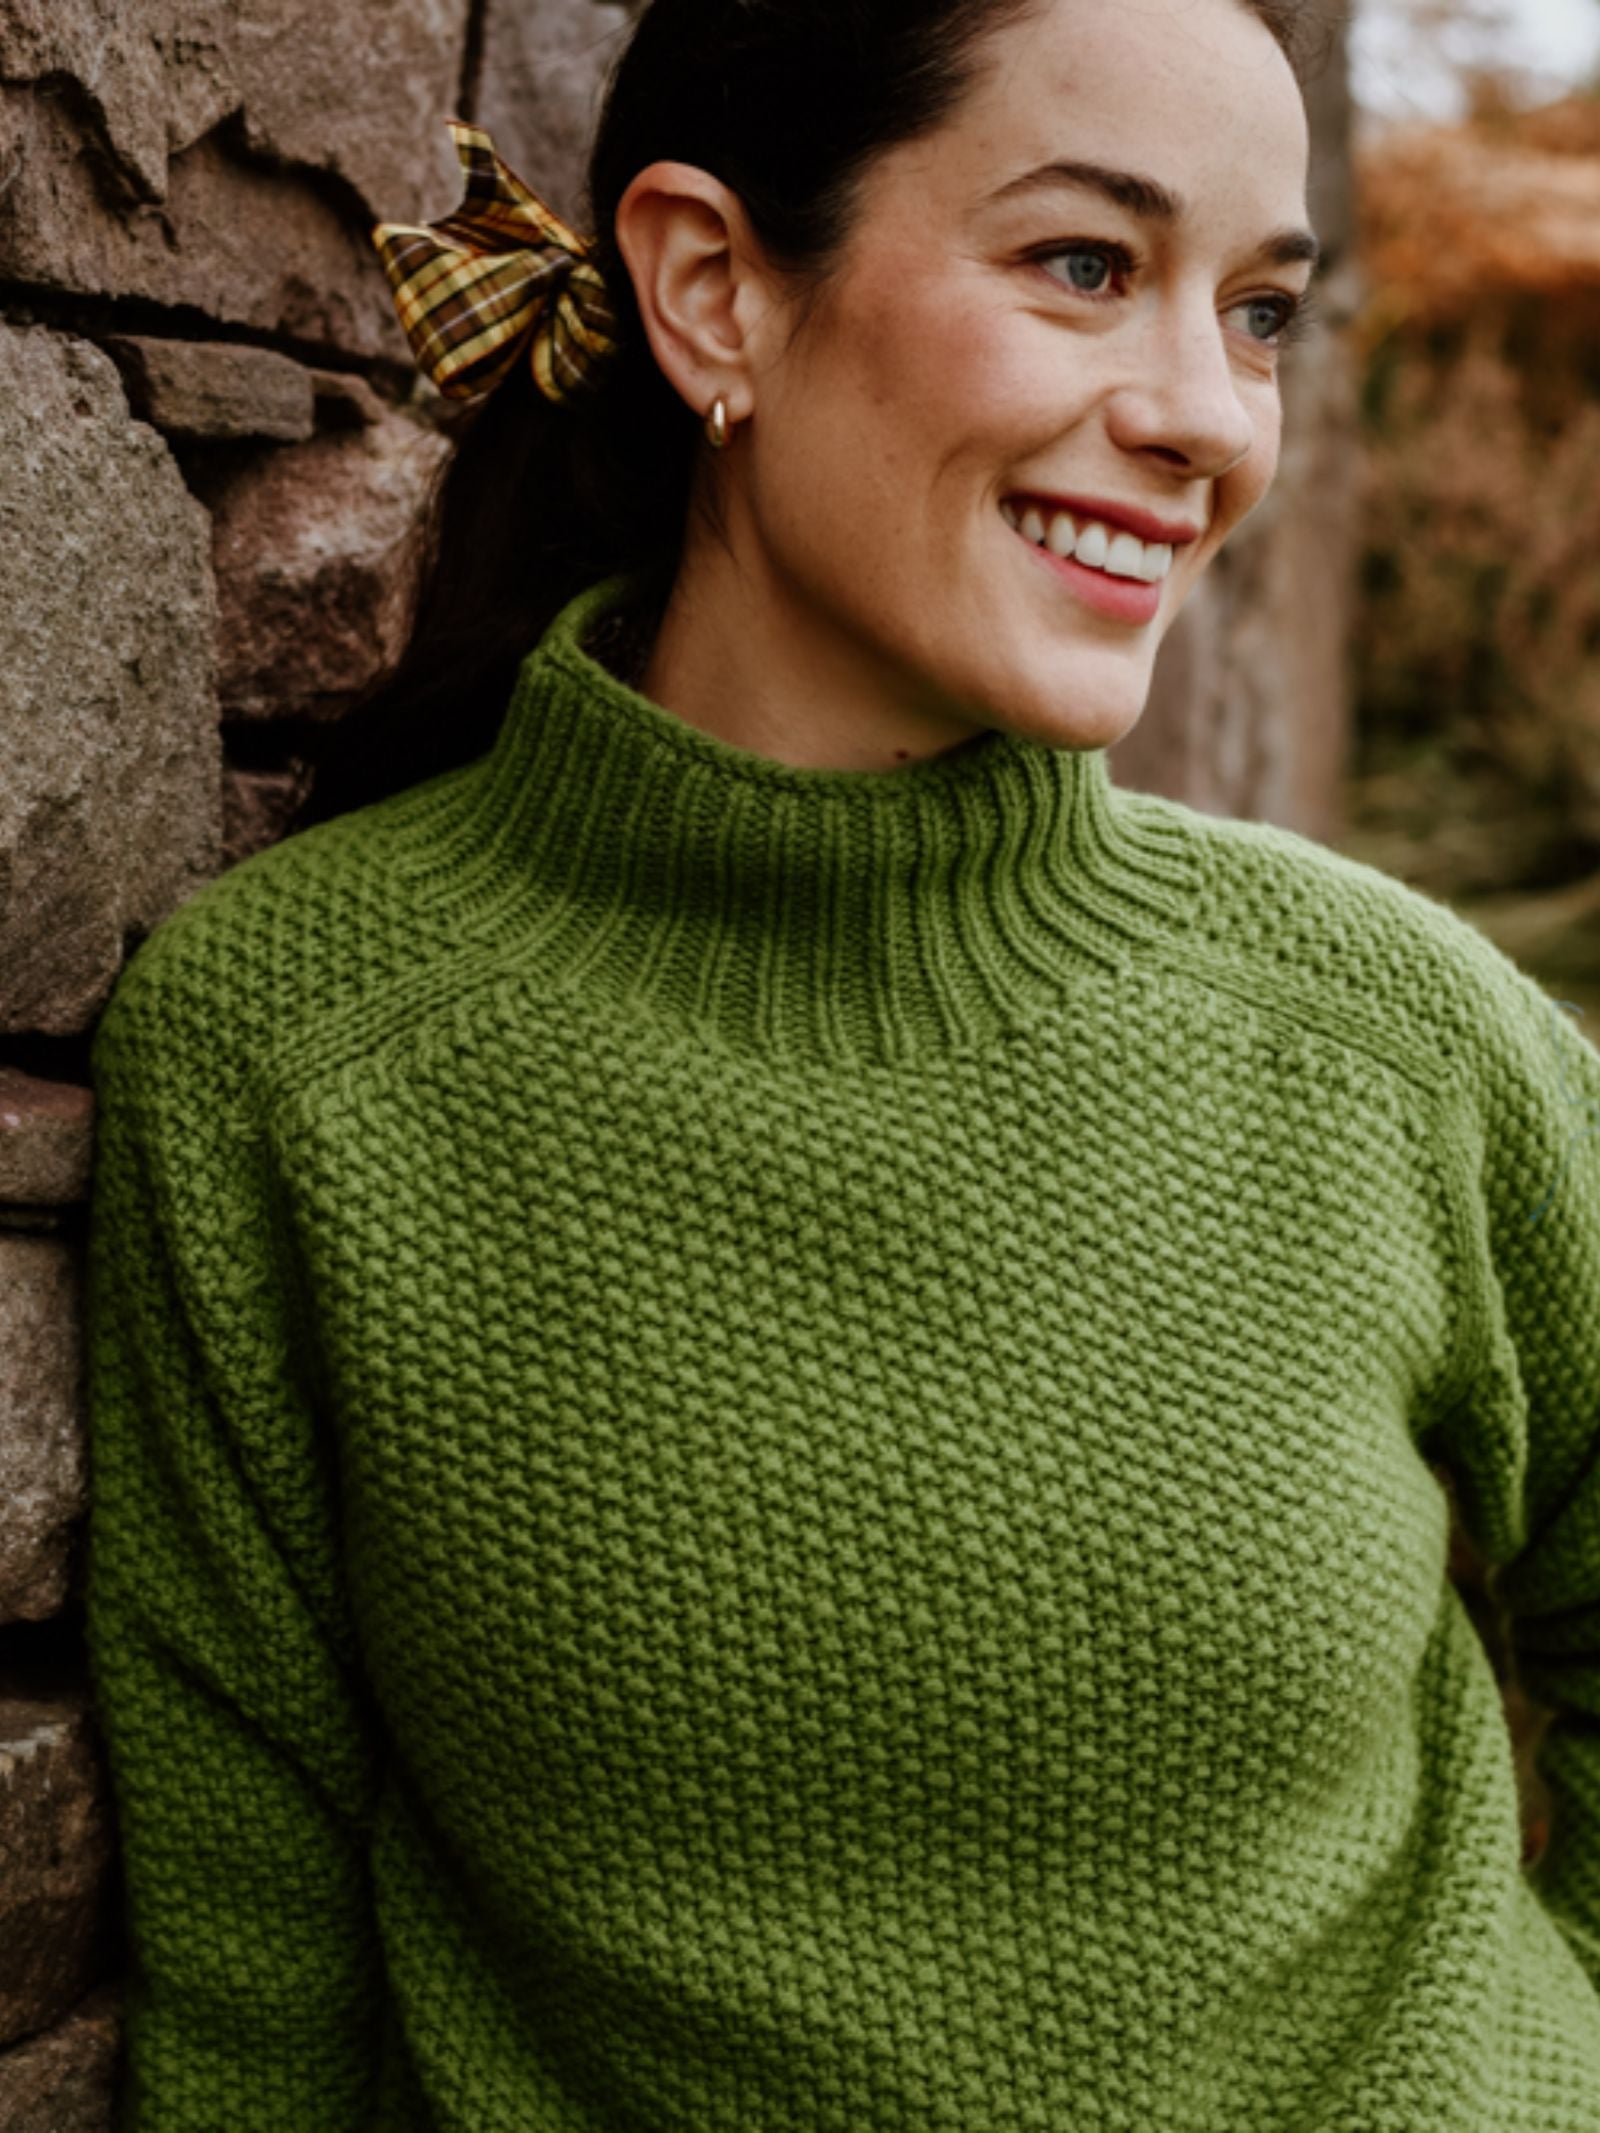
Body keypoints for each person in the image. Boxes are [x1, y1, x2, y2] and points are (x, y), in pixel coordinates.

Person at [80, 0, 1600, 2125]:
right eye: (1084, 263)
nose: (1202, 418)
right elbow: (252, 2005)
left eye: (1257, 311)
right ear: (712, 286)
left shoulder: (1392, 1031)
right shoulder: (289, 1057)